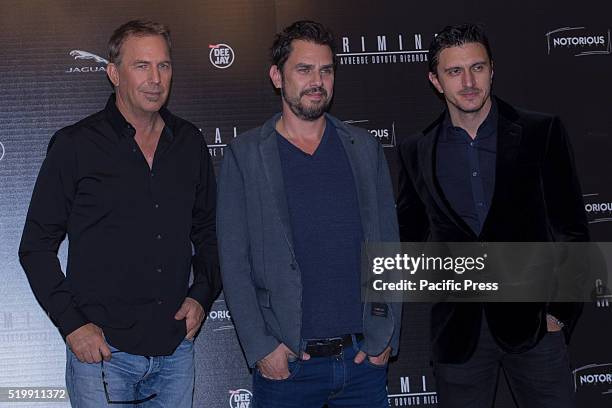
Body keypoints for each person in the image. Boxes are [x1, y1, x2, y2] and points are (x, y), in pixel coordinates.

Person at [19, 19, 220, 407]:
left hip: (175, 353)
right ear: (114, 73)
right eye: (141, 66)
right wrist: (73, 324)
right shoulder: (75, 145)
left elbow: (209, 232)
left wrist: (201, 295)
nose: (155, 78)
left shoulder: (190, 143)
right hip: (102, 356)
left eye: (163, 65)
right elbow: (36, 248)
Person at [397, 23, 589, 408]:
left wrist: (558, 316)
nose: (468, 82)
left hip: (535, 330)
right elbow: (407, 240)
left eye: (477, 68)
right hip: (459, 337)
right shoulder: (416, 150)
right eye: (454, 71)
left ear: (492, 69)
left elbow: (571, 231)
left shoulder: (540, 132)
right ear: (436, 80)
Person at [217, 20, 401, 408]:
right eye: (304, 69)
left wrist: (385, 338)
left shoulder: (364, 150)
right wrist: (262, 346)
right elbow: (233, 262)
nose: (317, 80)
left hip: (362, 364)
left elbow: (389, 248)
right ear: (277, 76)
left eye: (326, 70)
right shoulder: (245, 156)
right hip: (288, 367)